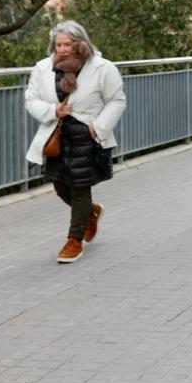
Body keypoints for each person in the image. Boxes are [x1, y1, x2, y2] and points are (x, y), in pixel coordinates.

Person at [25, 21, 126, 264]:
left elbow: (117, 100)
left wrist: (97, 127)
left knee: (80, 187)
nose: (62, 49)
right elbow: (30, 99)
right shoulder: (42, 68)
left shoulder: (102, 68)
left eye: (68, 44)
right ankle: (90, 212)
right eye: (58, 44)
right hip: (57, 136)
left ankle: (74, 241)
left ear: (80, 43)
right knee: (60, 185)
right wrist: (52, 110)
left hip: (86, 135)